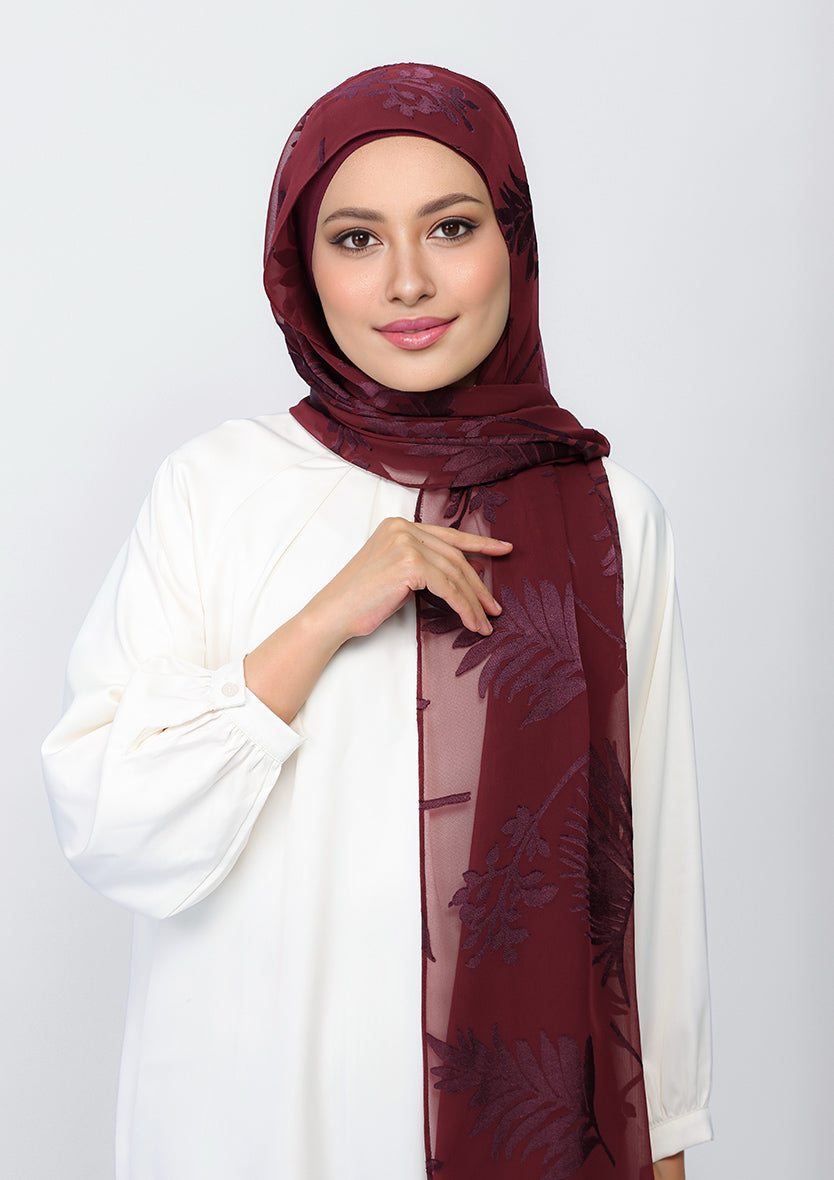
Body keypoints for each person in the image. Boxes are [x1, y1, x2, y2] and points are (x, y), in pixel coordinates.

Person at [42, 63, 712, 1180]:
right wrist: (323, 620)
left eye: (450, 228)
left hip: (521, 1131)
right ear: (301, 269)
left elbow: (646, 861)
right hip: (245, 1122)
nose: (407, 280)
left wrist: (669, 1130)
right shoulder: (217, 487)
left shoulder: (608, 515)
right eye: (357, 239)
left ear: (513, 241)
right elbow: (110, 821)